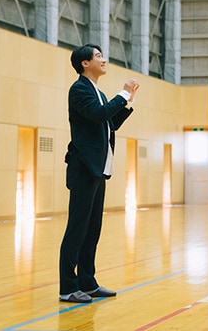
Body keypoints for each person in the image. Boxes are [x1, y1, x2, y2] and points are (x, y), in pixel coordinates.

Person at [59, 44, 139, 303]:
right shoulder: (79, 89)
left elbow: (109, 122)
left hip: (98, 168)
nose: (103, 59)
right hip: (84, 168)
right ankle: (68, 288)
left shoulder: (98, 92)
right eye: (98, 56)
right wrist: (122, 94)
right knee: (77, 228)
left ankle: (87, 282)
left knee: (92, 229)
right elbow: (97, 114)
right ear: (84, 63)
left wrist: (127, 103)